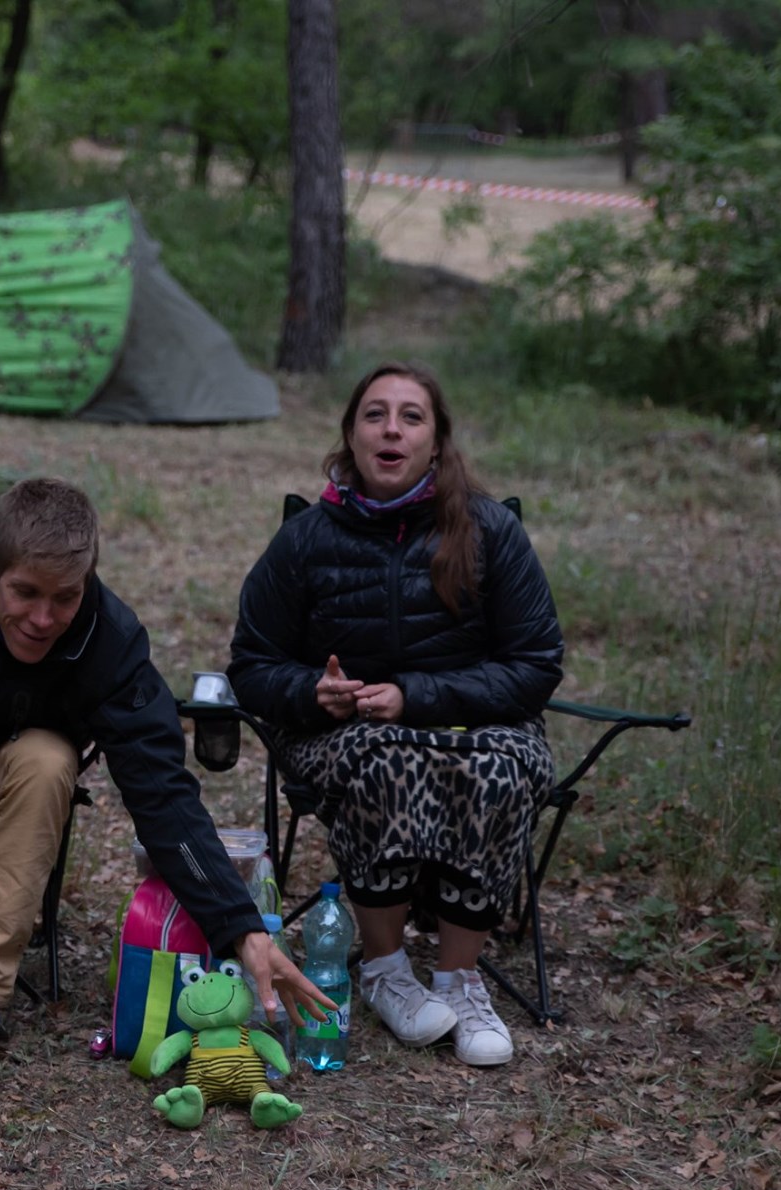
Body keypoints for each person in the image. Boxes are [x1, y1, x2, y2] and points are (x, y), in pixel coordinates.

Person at [0, 476, 332, 1109]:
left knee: (50, 757)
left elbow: (163, 793)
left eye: (64, 598)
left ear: (88, 580)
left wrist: (242, 928)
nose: (42, 619)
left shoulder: (106, 640)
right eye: (25, 593)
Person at [227, 362, 564, 1067]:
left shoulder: (490, 531)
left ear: (436, 443)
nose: (391, 428)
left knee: (496, 765)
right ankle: (384, 971)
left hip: (477, 723)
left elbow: (535, 664)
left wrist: (415, 695)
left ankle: (459, 979)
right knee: (384, 755)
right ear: (351, 437)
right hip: (340, 734)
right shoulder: (306, 540)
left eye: (411, 416)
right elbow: (252, 665)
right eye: (374, 414)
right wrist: (309, 693)